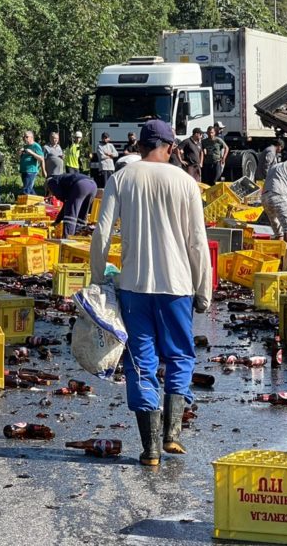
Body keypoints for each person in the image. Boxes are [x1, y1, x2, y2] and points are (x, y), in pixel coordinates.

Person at [90, 119, 212, 467]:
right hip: (177, 287)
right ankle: (172, 433)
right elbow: (198, 242)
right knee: (180, 355)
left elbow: (102, 233)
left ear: (139, 146)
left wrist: (99, 280)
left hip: (134, 288)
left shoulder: (122, 178)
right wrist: (203, 289)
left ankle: (151, 450)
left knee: (141, 362)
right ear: (171, 148)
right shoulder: (186, 182)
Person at [18, 131, 45, 195]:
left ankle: (23, 200)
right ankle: (37, 200)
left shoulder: (36, 146)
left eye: (26, 137)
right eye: (24, 137)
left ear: (32, 137)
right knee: (30, 189)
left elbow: (41, 158)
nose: (24, 138)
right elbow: (21, 158)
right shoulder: (25, 146)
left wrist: (32, 153)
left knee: (26, 189)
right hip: (24, 171)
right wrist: (19, 153)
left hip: (31, 171)